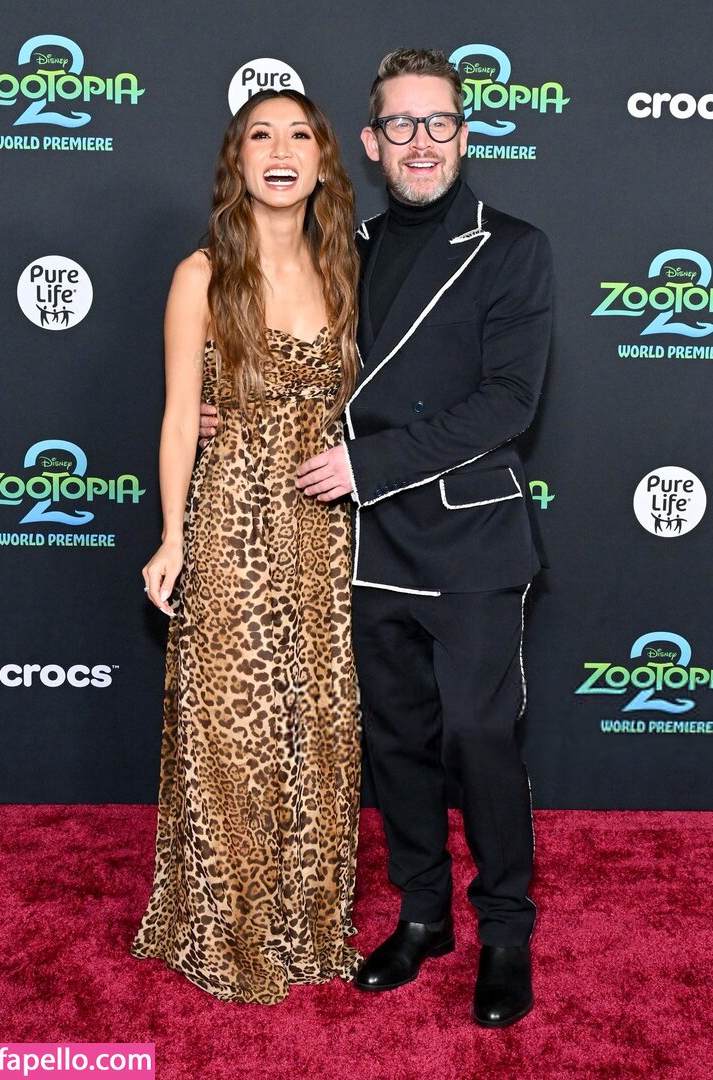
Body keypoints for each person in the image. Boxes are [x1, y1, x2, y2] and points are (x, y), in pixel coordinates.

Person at [201, 48, 553, 1027]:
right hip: (363, 545)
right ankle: (424, 916)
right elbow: (297, 366)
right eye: (401, 124)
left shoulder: (512, 247)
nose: (420, 142)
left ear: (465, 135)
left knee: (479, 738)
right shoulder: (341, 248)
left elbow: (508, 403)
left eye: (438, 123)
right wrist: (231, 415)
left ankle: (506, 930)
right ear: (370, 141)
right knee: (395, 742)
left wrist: (372, 464)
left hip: (469, 540)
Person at [132, 88, 362, 1005]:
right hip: (232, 518)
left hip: (328, 527)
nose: (280, 150)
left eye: (299, 135)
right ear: (238, 160)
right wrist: (172, 536)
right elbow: (179, 417)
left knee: (320, 724)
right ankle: (226, 927)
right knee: (235, 728)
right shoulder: (203, 274)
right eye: (260, 135)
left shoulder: (349, 266)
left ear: (323, 160)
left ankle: (310, 923)